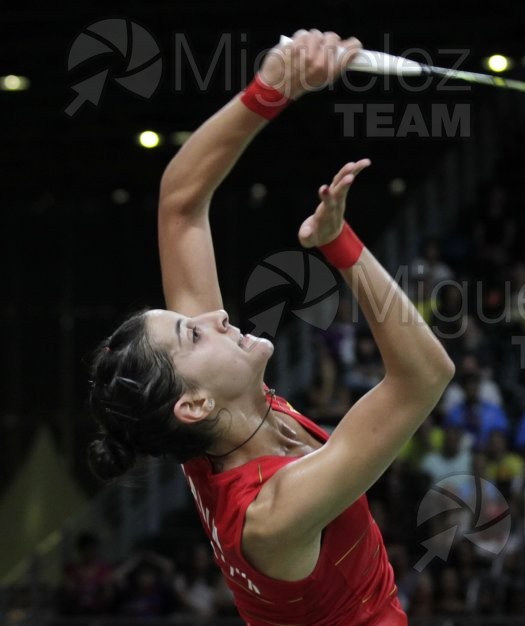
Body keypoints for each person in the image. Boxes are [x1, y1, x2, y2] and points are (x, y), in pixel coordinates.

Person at [86, 30, 455, 626]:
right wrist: (341, 245)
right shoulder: (272, 509)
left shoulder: (224, 418)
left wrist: (273, 88)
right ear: (194, 403)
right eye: (192, 335)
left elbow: (180, 203)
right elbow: (423, 377)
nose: (214, 315)